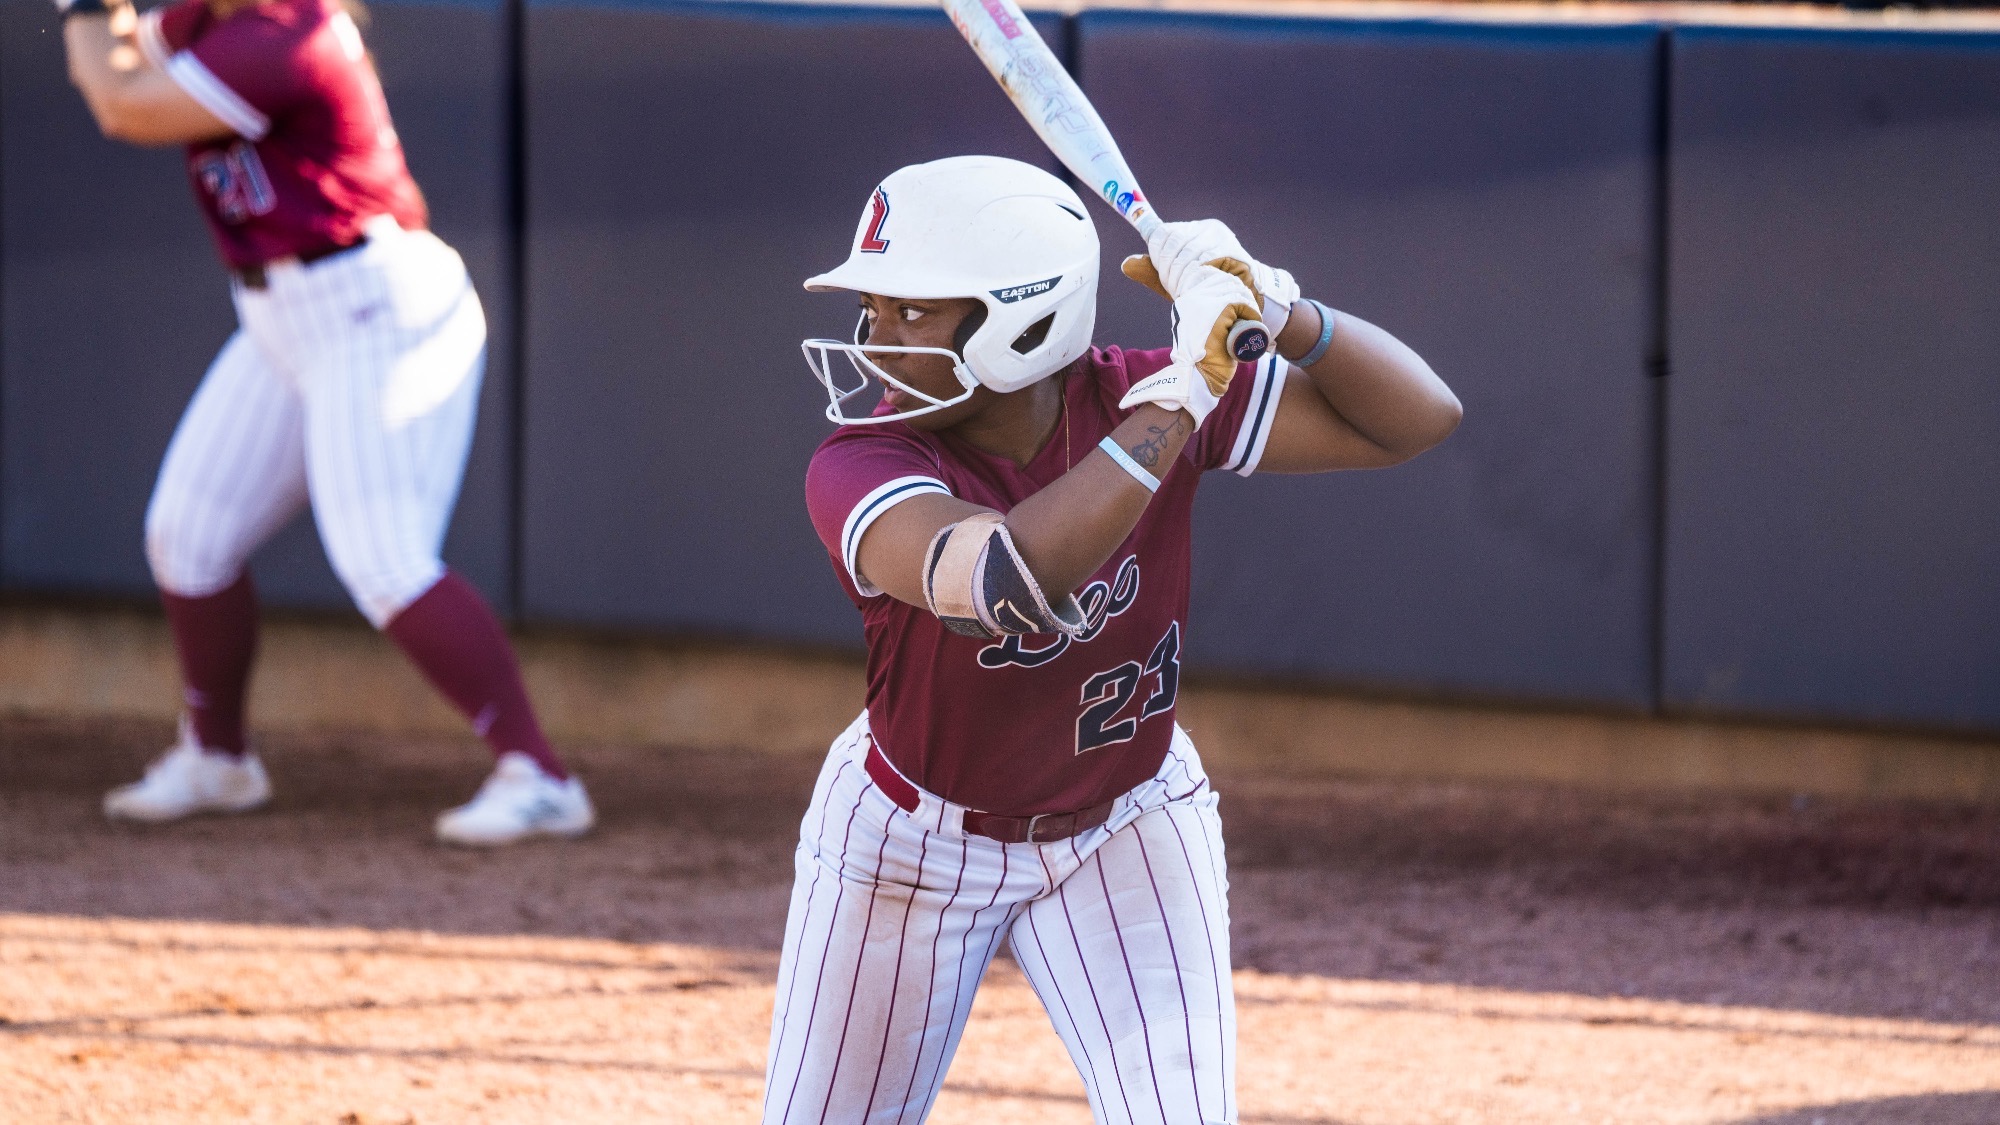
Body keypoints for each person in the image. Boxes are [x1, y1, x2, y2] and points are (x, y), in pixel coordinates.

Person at [768, 154, 1462, 1123]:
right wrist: (1183, 398)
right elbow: (1007, 577)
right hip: (910, 841)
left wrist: (1281, 306)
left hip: (1127, 823)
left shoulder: (1137, 395)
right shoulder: (865, 459)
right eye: (875, 308)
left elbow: (1417, 419)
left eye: (912, 311)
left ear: (1020, 319)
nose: (875, 338)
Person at [54, 0, 592, 845]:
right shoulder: (209, 16)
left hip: (374, 303)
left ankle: (540, 775)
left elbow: (127, 106)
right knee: (186, 535)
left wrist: (85, 8)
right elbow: (122, 66)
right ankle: (219, 757)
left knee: (385, 558)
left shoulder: (290, 28)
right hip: (280, 314)